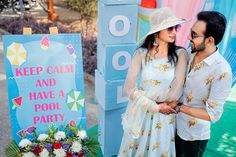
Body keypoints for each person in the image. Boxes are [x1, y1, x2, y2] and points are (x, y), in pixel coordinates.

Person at [118, 7, 188, 157]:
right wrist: (153, 106)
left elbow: (178, 87)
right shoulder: (141, 54)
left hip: (164, 115)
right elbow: (128, 88)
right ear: (158, 30)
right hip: (142, 111)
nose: (174, 32)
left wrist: (164, 106)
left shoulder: (180, 54)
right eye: (170, 28)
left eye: (176, 27)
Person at [175, 11, 232, 157]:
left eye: (194, 35)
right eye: (190, 32)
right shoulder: (189, 53)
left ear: (209, 40)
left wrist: (179, 107)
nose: (188, 37)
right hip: (174, 126)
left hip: (194, 137)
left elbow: (213, 115)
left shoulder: (222, 70)